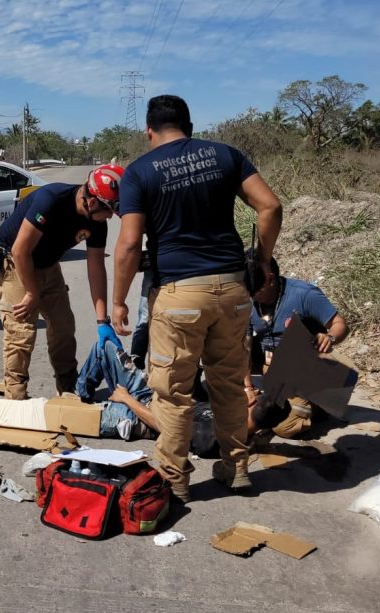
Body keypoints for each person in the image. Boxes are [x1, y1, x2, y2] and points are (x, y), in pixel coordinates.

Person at [112, 94, 283, 502]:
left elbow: (130, 244)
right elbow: (270, 206)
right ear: (189, 124)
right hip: (232, 289)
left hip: (179, 293)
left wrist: (118, 300)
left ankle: (175, 478)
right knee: (226, 384)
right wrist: (261, 260)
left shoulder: (139, 172)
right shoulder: (226, 156)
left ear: (149, 131)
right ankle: (236, 467)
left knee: (173, 391)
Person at [0, 164, 125, 400]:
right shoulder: (50, 200)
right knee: (21, 331)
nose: (109, 218)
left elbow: (95, 268)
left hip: (47, 264)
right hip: (15, 262)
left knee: (64, 326)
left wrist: (102, 321)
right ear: (92, 202)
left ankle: (67, 389)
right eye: (109, 212)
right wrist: (32, 293)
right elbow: (21, 250)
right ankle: (15, 394)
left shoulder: (96, 223)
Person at [245, 255, 351, 439]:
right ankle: (269, 394)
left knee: (284, 426)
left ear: (269, 279)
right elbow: (242, 348)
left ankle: (318, 403)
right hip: (268, 368)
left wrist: (329, 337)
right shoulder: (247, 301)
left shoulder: (304, 294)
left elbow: (340, 324)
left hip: (301, 369)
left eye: (253, 291)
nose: (250, 296)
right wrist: (247, 388)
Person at [76, 338, 219, 455]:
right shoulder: (230, 410)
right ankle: (79, 394)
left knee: (72, 417)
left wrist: (126, 398)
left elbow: (164, 425)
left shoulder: (209, 435)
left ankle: (69, 405)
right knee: (104, 346)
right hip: (152, 395)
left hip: (139, 419)